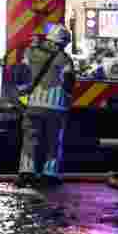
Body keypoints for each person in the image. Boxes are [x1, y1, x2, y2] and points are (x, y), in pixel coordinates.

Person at [16, 23, 75, 187]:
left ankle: (26, 172)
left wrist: (22, 96)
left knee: (30, 138)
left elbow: (20, 74)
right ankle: (49, 174)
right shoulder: (64, 59)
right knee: (53, 142)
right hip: (56, 108)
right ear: (63, 43)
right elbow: (69, 83)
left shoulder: (31, 53)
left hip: (33, 105)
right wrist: (68, 100)